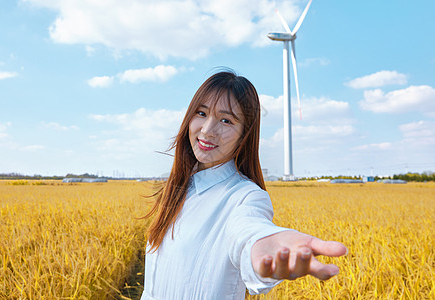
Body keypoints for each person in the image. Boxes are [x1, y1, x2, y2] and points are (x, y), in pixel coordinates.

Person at [140, 70, 347, 300]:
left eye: (226, 120)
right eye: (201, 113)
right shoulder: (179, 189)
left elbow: (248, 229)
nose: (207, 130)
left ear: (244, 135)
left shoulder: (246, 197)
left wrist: (261, 247)